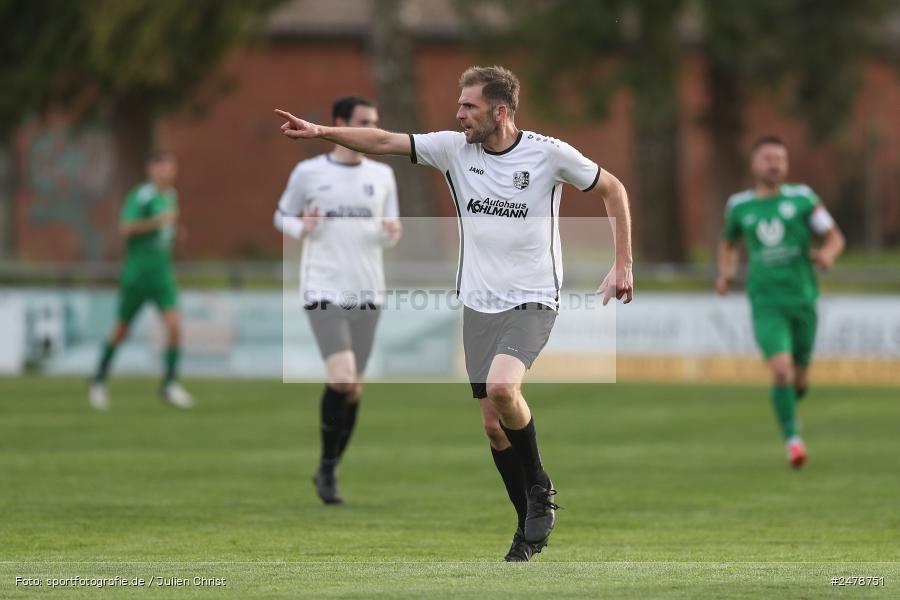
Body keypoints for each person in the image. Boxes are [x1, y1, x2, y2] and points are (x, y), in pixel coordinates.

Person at [274, 65, 634, 561]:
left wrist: (623, 264)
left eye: (469, 106)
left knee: (505, 389)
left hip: (532, 299)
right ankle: (524, 528)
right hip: (477, 304)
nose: (458, 114)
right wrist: (321, 131)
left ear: (500, 111)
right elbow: (382, 140)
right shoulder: (453, 150)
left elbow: (613, 189)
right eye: (460, 105)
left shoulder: (549, 154)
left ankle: (540, 490)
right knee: (491, 423)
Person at [275, 96, 402, 506]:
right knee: (342, 376)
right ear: (340, 124)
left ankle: (329, 464)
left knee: (354, 389)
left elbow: (390, 229)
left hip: (367, 289)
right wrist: (301, 226)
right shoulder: (309, 172)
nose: (372, 130)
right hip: (323, 287)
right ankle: (328, 466)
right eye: (364, 122)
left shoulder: (382, 175)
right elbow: (282, 215)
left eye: (376, 123)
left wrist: (391, 231)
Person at [716, 135, 845, 469]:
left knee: (799, 379)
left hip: (803, 298)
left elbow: (834, 237)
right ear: (754, 163)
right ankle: (793, 440)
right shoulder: (739, 206)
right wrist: (726, 274)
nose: (774, 164)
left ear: (786, 165)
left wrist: (828, 256)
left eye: (780, 159)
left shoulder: (803, 199)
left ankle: (790, 407)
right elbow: (728, 244)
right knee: (781, 370)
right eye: (768, 158)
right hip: (766, 301)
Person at [89, 150, 193, 411]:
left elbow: (165, 231)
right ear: (151, 170)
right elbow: (126, 227)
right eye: (161, 168)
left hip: (162, 276)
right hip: (137, 275)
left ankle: (169, 384)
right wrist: (159, 222)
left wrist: (176, 234)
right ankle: (99, 380)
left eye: (170, 168)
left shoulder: (170, 196)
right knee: (121, 330)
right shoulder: (142, 195)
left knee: (175, 327)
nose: (166, 173)